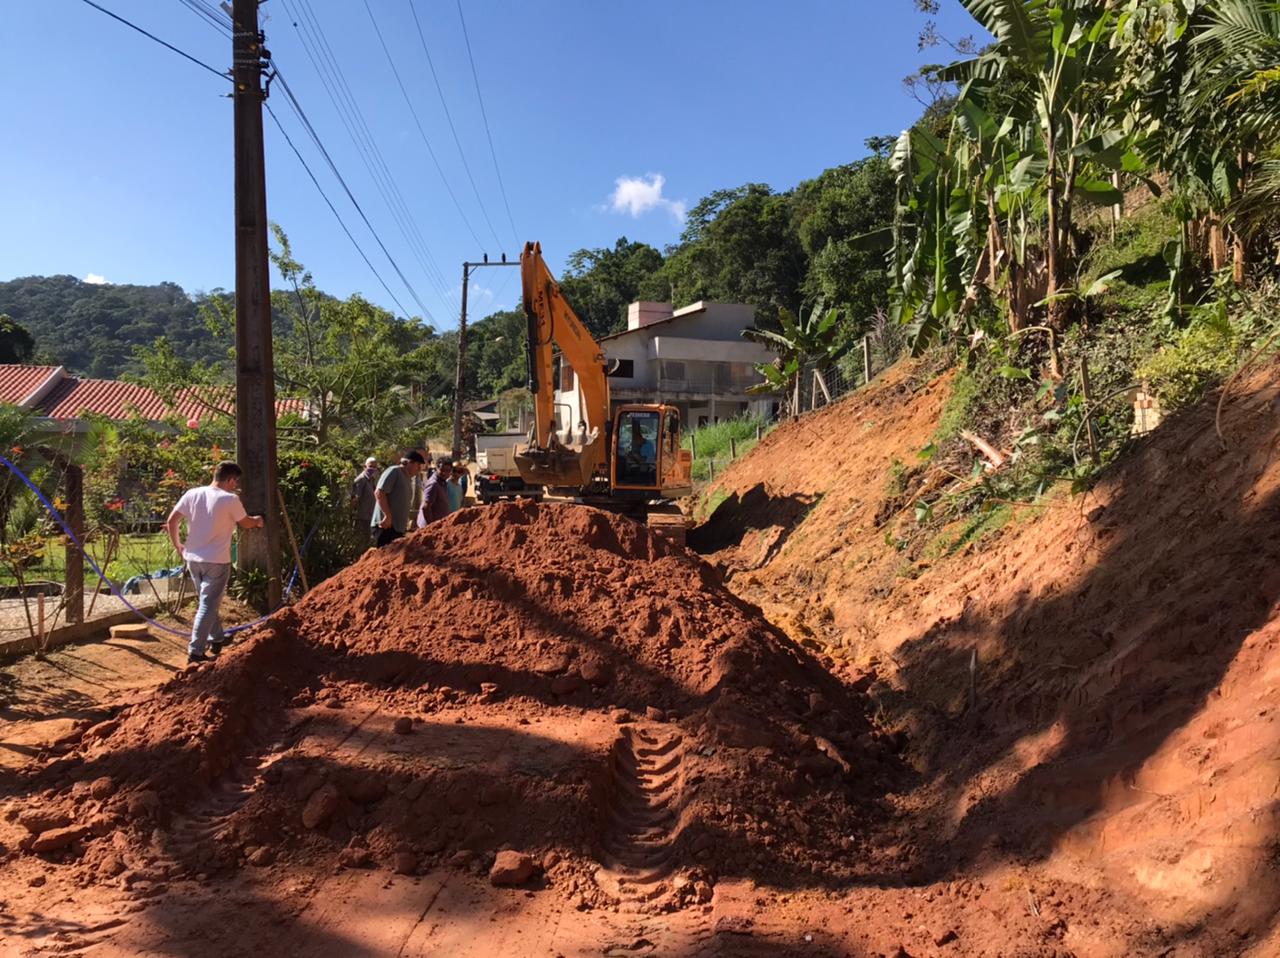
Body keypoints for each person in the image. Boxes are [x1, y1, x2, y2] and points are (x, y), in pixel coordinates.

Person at [165, 461, 265, 665]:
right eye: (235, 482)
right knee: (207, 605)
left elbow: (171, 521)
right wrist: (258, 520)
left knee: (208, 602)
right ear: (230, 479)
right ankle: (196, 652)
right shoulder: (230, 499)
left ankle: (218, 637)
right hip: (217, 561)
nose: (235, 486)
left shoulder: (192, 493)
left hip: (193, 558)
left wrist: (178, 545)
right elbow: (245, 523)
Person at [371, 450, 425, 547]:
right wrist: (387, 516)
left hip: (397, 528)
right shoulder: (394, 471)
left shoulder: (408, 479)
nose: (419, 469)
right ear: (410, 463)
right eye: (418, 465)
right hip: (386, 526)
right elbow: (379, 493)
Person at [349, 456, 379, 546]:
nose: (372, 469)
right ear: (364, 467)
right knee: (360, 542)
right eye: (370, 466)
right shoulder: (361, 480)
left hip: (370, 516)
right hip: (361, 517)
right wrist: (353, 515)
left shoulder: (371, 480)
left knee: (367, 541)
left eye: (374, 467)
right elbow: (355, 499)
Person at [417, 458, 453, 527]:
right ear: (437, 468)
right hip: (429, 527)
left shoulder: (442, 482)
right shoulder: (434, 484)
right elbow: (426, 507)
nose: (444, 473)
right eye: (442, 470)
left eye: (447, 471)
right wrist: (432, 526)